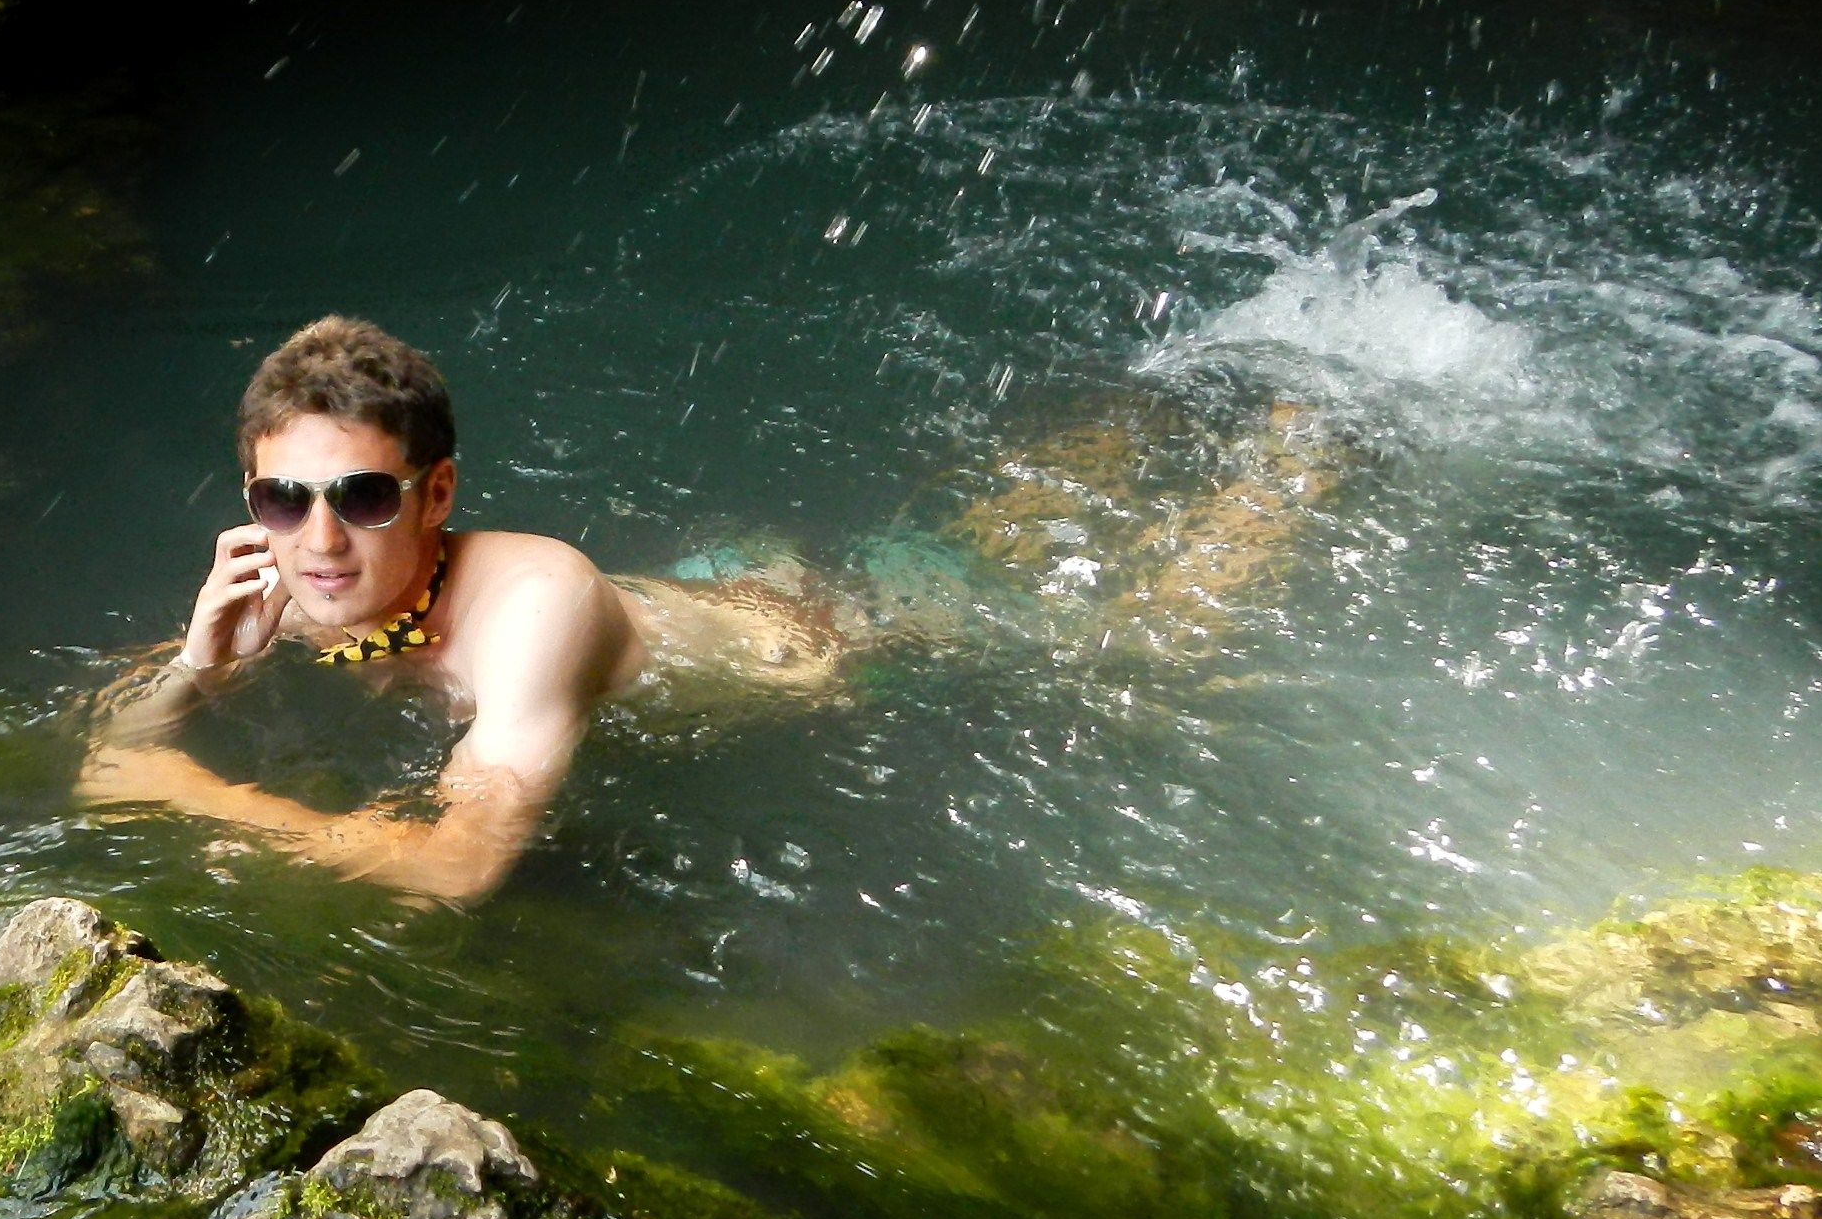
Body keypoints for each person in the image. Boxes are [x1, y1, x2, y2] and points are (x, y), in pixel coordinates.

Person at [77, 315, 1333, 906]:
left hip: (840, 643)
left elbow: (457, 867)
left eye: (358, 494)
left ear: (436, 490)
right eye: (281, 500)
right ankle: (1168, 394)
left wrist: (199, 796)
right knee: (985, 530)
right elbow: (114, 738)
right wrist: (194, 672)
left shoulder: (533, 609)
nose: (319, 536)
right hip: (729, 579)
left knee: (1142, 633)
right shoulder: (295, 578)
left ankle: (1306, 446)